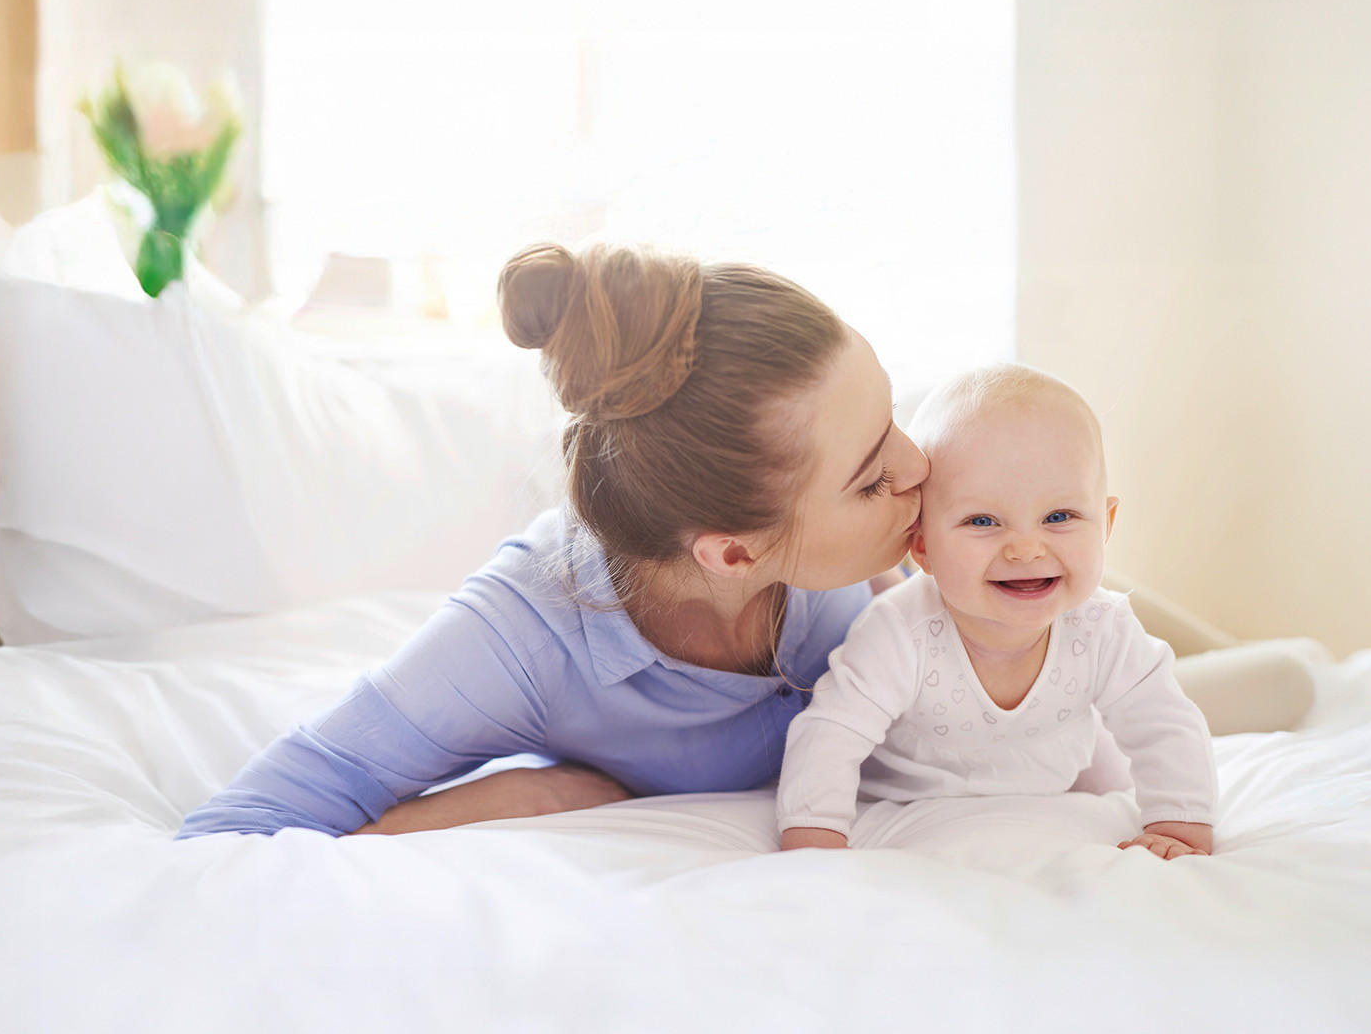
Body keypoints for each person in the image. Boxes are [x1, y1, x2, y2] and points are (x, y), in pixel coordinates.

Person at [175, 243, 1299, 840]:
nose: (917, 469)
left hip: (1042, 643)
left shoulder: (857, 557)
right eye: (871, 474)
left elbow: (1040, 590)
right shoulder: (519, 639)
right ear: (731, 552)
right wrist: (528, 797)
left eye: (893, 419)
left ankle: (1300, 665)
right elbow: (254, 818)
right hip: (967, 665)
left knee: (1276, 677)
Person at [776, 364, 1216, 858]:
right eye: (982, 520)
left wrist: (1179, 824)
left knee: (1116, 752)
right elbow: (833, 731)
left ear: (1105, 523)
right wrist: (815, 839)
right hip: (913, 804)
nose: (1026, 549)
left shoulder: (1102, 627)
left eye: (1060, 516)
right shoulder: (900, 630)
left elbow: (1163, 722)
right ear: (921, 545)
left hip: (1059, 776)